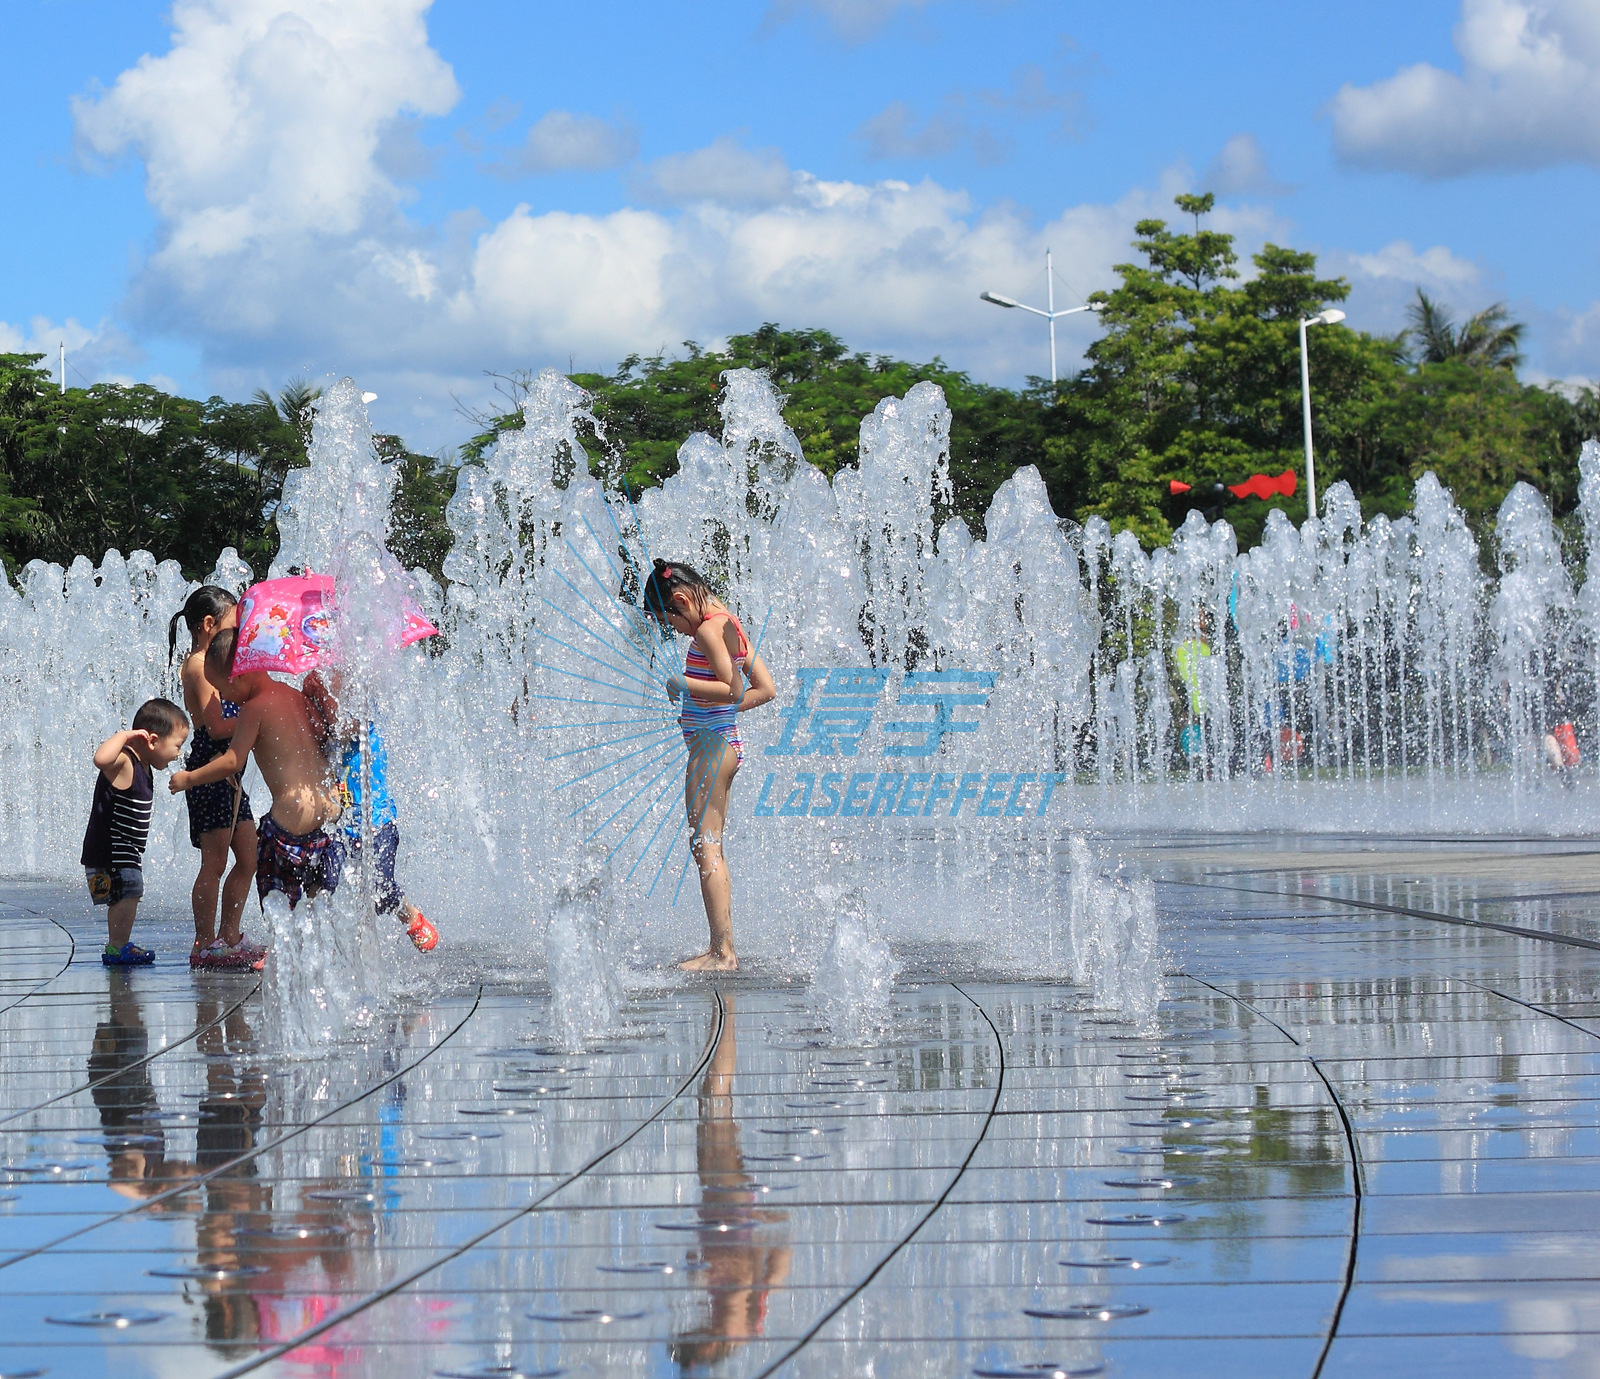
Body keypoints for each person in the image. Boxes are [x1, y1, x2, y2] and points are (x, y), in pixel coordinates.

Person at [642, 560, 775, 972]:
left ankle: (722, 953)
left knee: (706, 845)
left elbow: (728, 686)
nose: (678, 631)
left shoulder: (705, 628)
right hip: (721, 745)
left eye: (672, 622)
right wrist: (713, 716)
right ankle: (722, 948)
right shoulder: (725, 619)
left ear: (682, 600)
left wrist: (683, 686)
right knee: (707, 843)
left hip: (712, 750)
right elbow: (764, 690)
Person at [170, 628, 343, 911]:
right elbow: (324, 734)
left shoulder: (254, 708)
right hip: (328, 818)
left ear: (238, 676)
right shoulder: (293, 695)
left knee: (277, 899)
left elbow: (232, 761)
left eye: (224, 691)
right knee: (317, 901)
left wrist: (189, 778)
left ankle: (277, 950)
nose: (227, 699)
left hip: (291, 824)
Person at [303, 669, 438, 952]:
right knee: (323, 881)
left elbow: (343, 727)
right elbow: (313, 733)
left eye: (334, 675)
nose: (330, 678)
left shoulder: (363, 710)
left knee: (379, 891)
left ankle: (407, 912)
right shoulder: (326, 713)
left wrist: (321, 693)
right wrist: (308, 697)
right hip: (338, 824)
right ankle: (303, 942)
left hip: (376, 822)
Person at [169, 586, 264, 971]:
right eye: (231, 625)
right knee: (215, 861)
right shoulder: (198, 665)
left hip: (230, 774)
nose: (237, 634)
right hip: (211, 770)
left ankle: (229, 937)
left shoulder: (217, 663)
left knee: (249, 856)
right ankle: (205, 943)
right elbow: (217, 724)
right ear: (209, 625)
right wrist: (256, 717)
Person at [83, 698, 191, 966]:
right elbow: (100, 758)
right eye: (177, 746)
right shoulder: (125, 762)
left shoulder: (144, 767)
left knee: (127, 895)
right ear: (152, 741)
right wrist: (125, 735)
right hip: (111, 853)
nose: (178, 753)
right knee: (127, 893)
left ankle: (119, 945)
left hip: (124, 852)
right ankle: (117, 947)